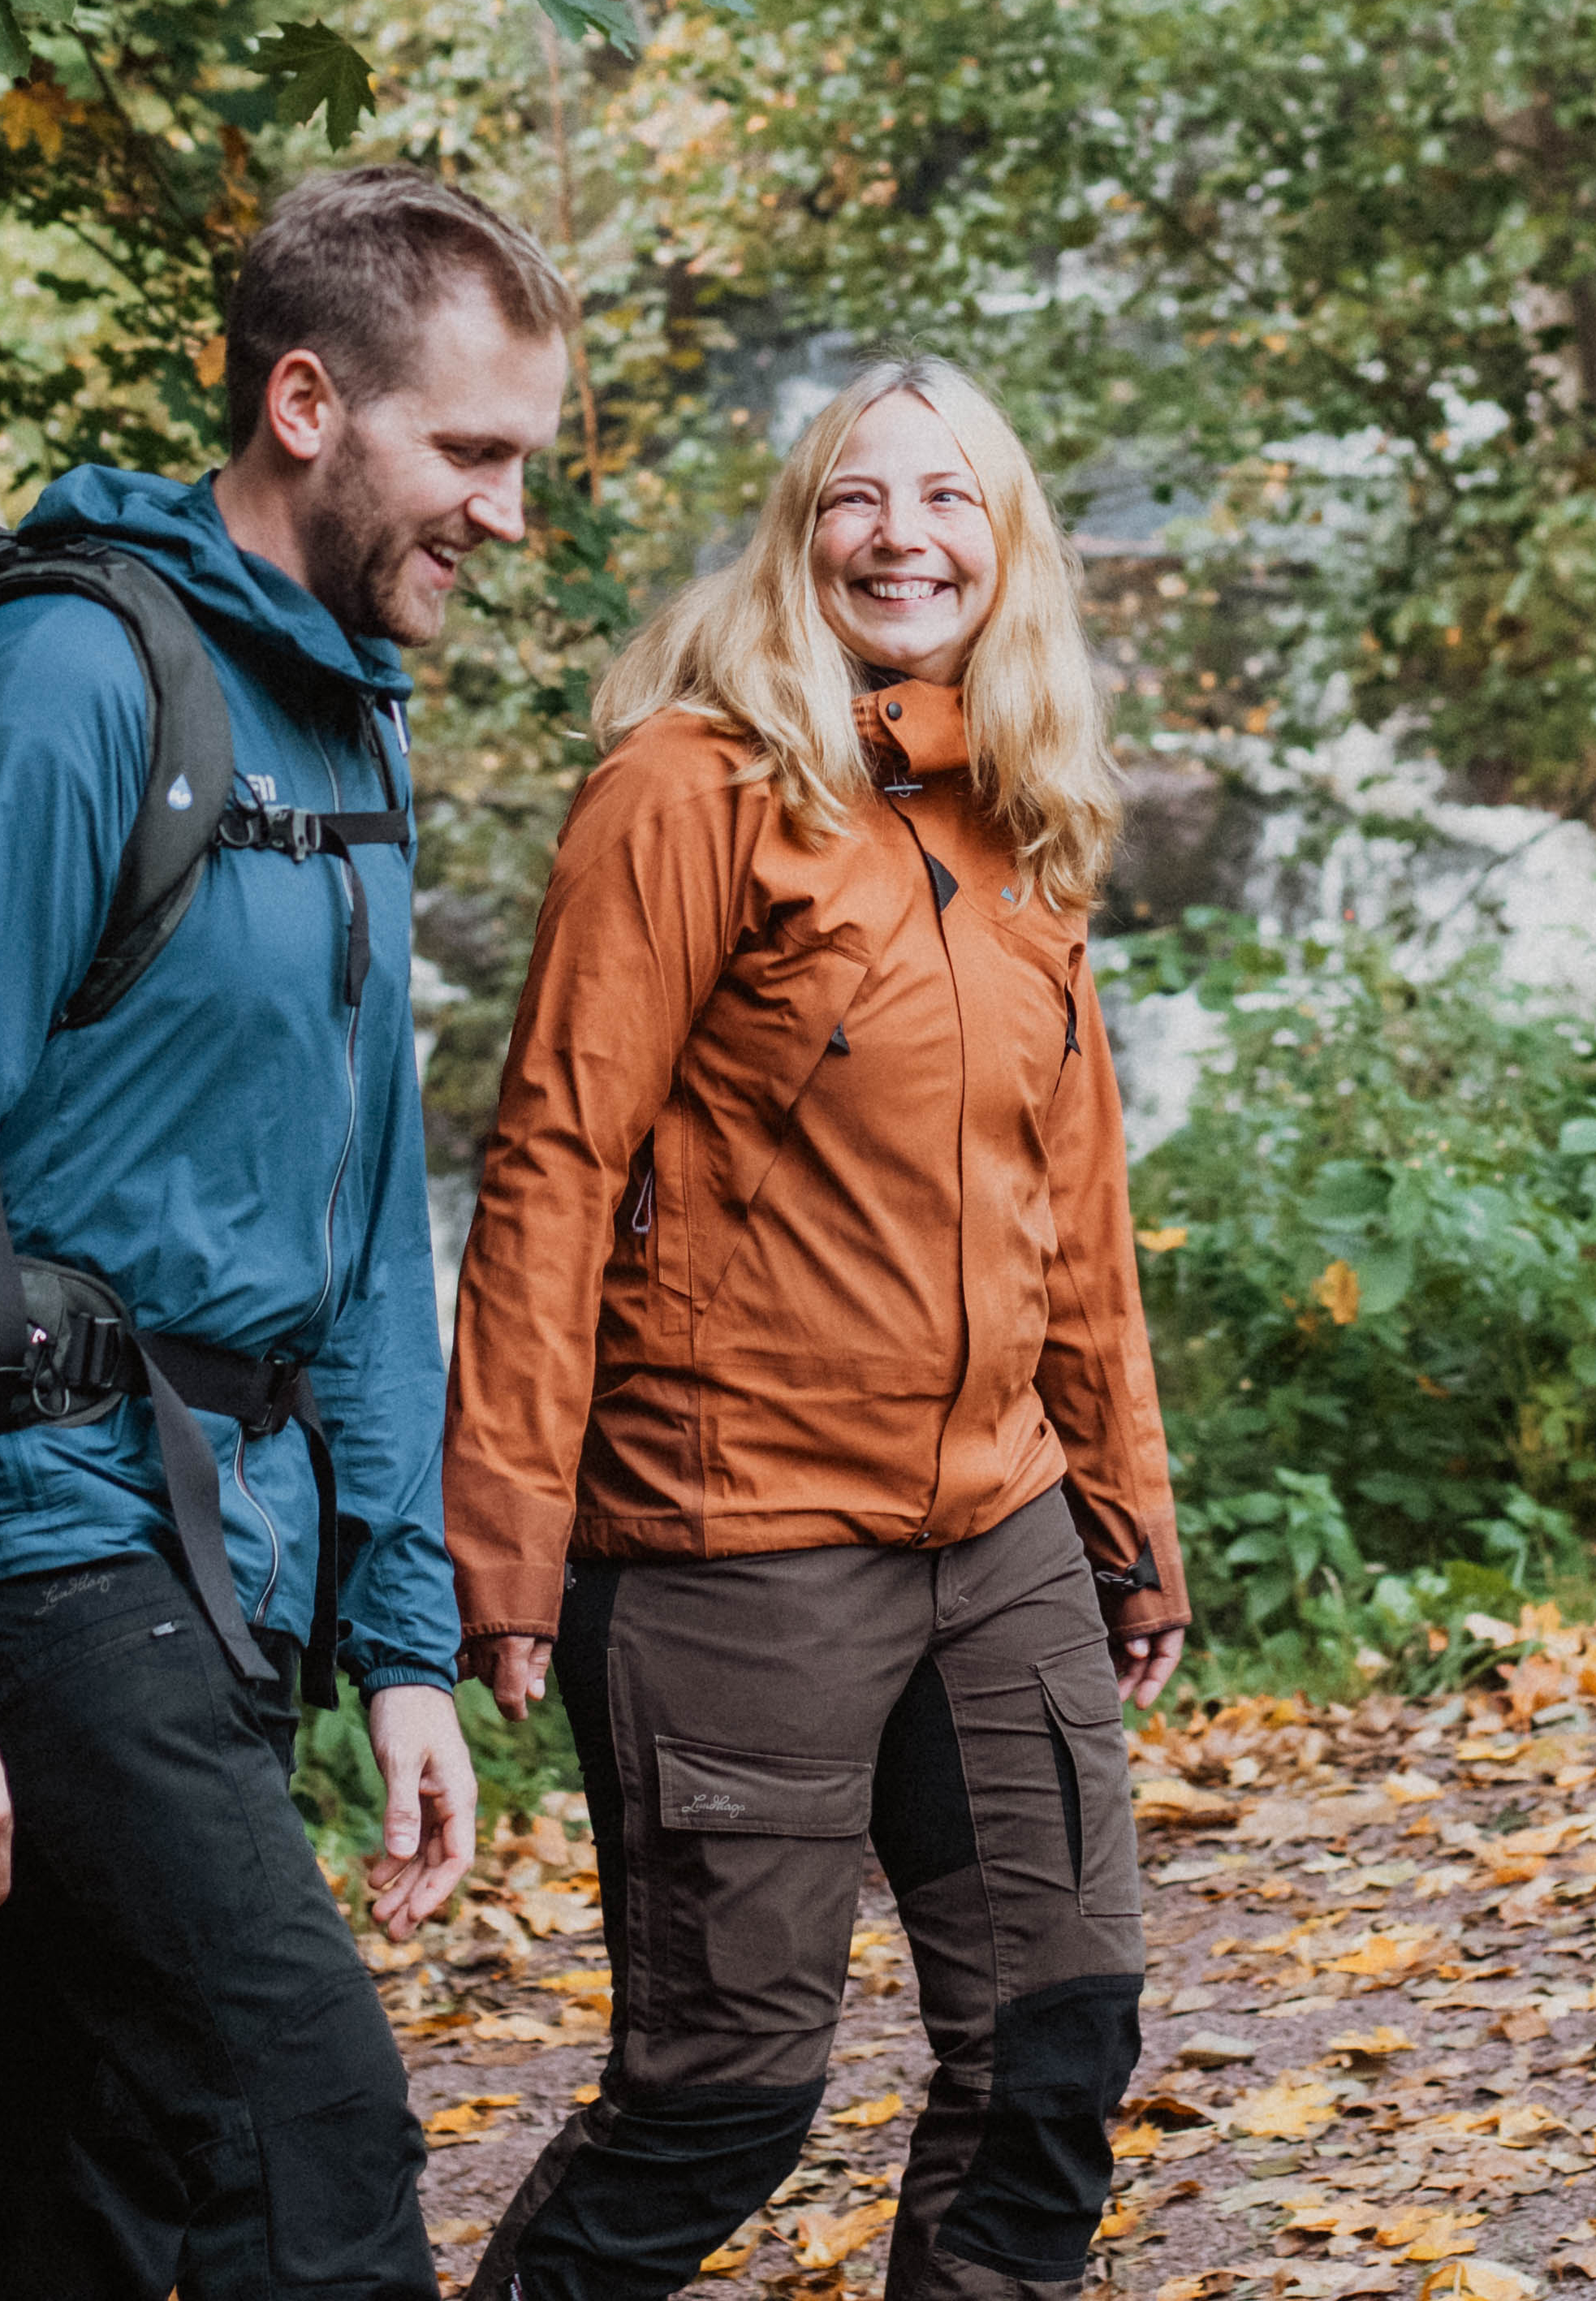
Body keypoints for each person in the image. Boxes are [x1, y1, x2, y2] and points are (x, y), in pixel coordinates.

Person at [0, 162, 573, 2301]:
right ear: (307, 404)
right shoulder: (59, 695)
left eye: (529, 462)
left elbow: (364, 1234)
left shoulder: (343, 709)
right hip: (47, 1546)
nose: (510, 516)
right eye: (475, 455)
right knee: (304, 2135)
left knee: (82, 2192)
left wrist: (403, 1631)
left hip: (235, 1554)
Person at [444, 358, 1187, 2301]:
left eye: (949, 499)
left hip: (1000, 1528)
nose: (903, 536)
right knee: (723, 2102)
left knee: (1053, 2052)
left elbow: (1074, 1205)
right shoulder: (689, 788)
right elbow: (553, 1155)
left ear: (1005, 543)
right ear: (800, 533)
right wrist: (503, 1536)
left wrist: (1123, 1508)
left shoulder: (1023, 811)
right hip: (734, 1539)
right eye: (860, 497)